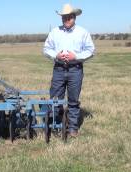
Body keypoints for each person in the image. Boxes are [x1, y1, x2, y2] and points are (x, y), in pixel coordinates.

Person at [43, 4, 95, 137]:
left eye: (68, 17)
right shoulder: (55, 32)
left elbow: (90, 50)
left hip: (75, 70)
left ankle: (72, 128)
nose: (66, 19)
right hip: (59, 69)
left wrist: (76, 56)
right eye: (64, 17)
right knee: (55, 99)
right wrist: (56, 55)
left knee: (73, 100)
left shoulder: (82, 32)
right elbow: (46, 49)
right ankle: (55, 125)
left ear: (74, 17)